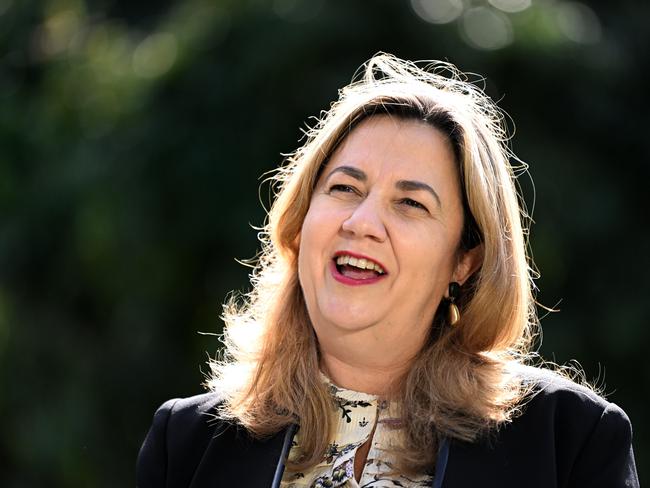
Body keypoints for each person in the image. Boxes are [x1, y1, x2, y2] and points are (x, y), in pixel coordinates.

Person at [136, 54, 639, 487]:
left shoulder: (570, 440)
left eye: (410, 204)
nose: (361, 223)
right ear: (299, 223)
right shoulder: (188, 443)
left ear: (465, 260)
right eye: (344, 189)